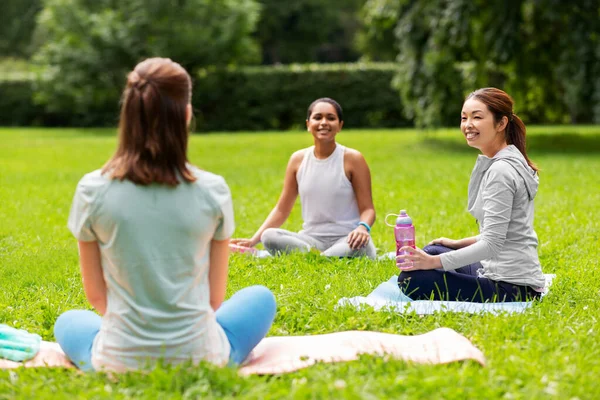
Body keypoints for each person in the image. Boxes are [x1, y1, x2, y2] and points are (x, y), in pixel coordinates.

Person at [54, 58, 276, 372]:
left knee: (69, 321)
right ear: (186, 115)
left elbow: (96, 297)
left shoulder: (92, 189)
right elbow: (214, 300)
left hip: (118, 359)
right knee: (260, 297)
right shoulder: (213, 190)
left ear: (128, 116)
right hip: (201, 357)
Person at [396, 87, 546, 303]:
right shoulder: (511, 159)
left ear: (501, 123)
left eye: (477, 117)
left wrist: (432, 263)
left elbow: (492, 244)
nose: (468, 125)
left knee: (411, 278)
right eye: (464, 117)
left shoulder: (500, 171)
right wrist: (456, 244)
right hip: (507, 274)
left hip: (512, 287)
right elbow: (502, 232)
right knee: (435, 249)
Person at [231, 98, 377, 259]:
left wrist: (362, 228)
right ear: (308, 124)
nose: (324, 122)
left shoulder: (353, 159)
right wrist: (253, 240)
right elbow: (282, 209)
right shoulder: (298, 160)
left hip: (348, 239)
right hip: (311, 240)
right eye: (317, 117)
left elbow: (368, 209)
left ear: (340, 125)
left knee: (362, 247)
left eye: (330, 118)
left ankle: (314, 258)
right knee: (269, 236)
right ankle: (322, 257)